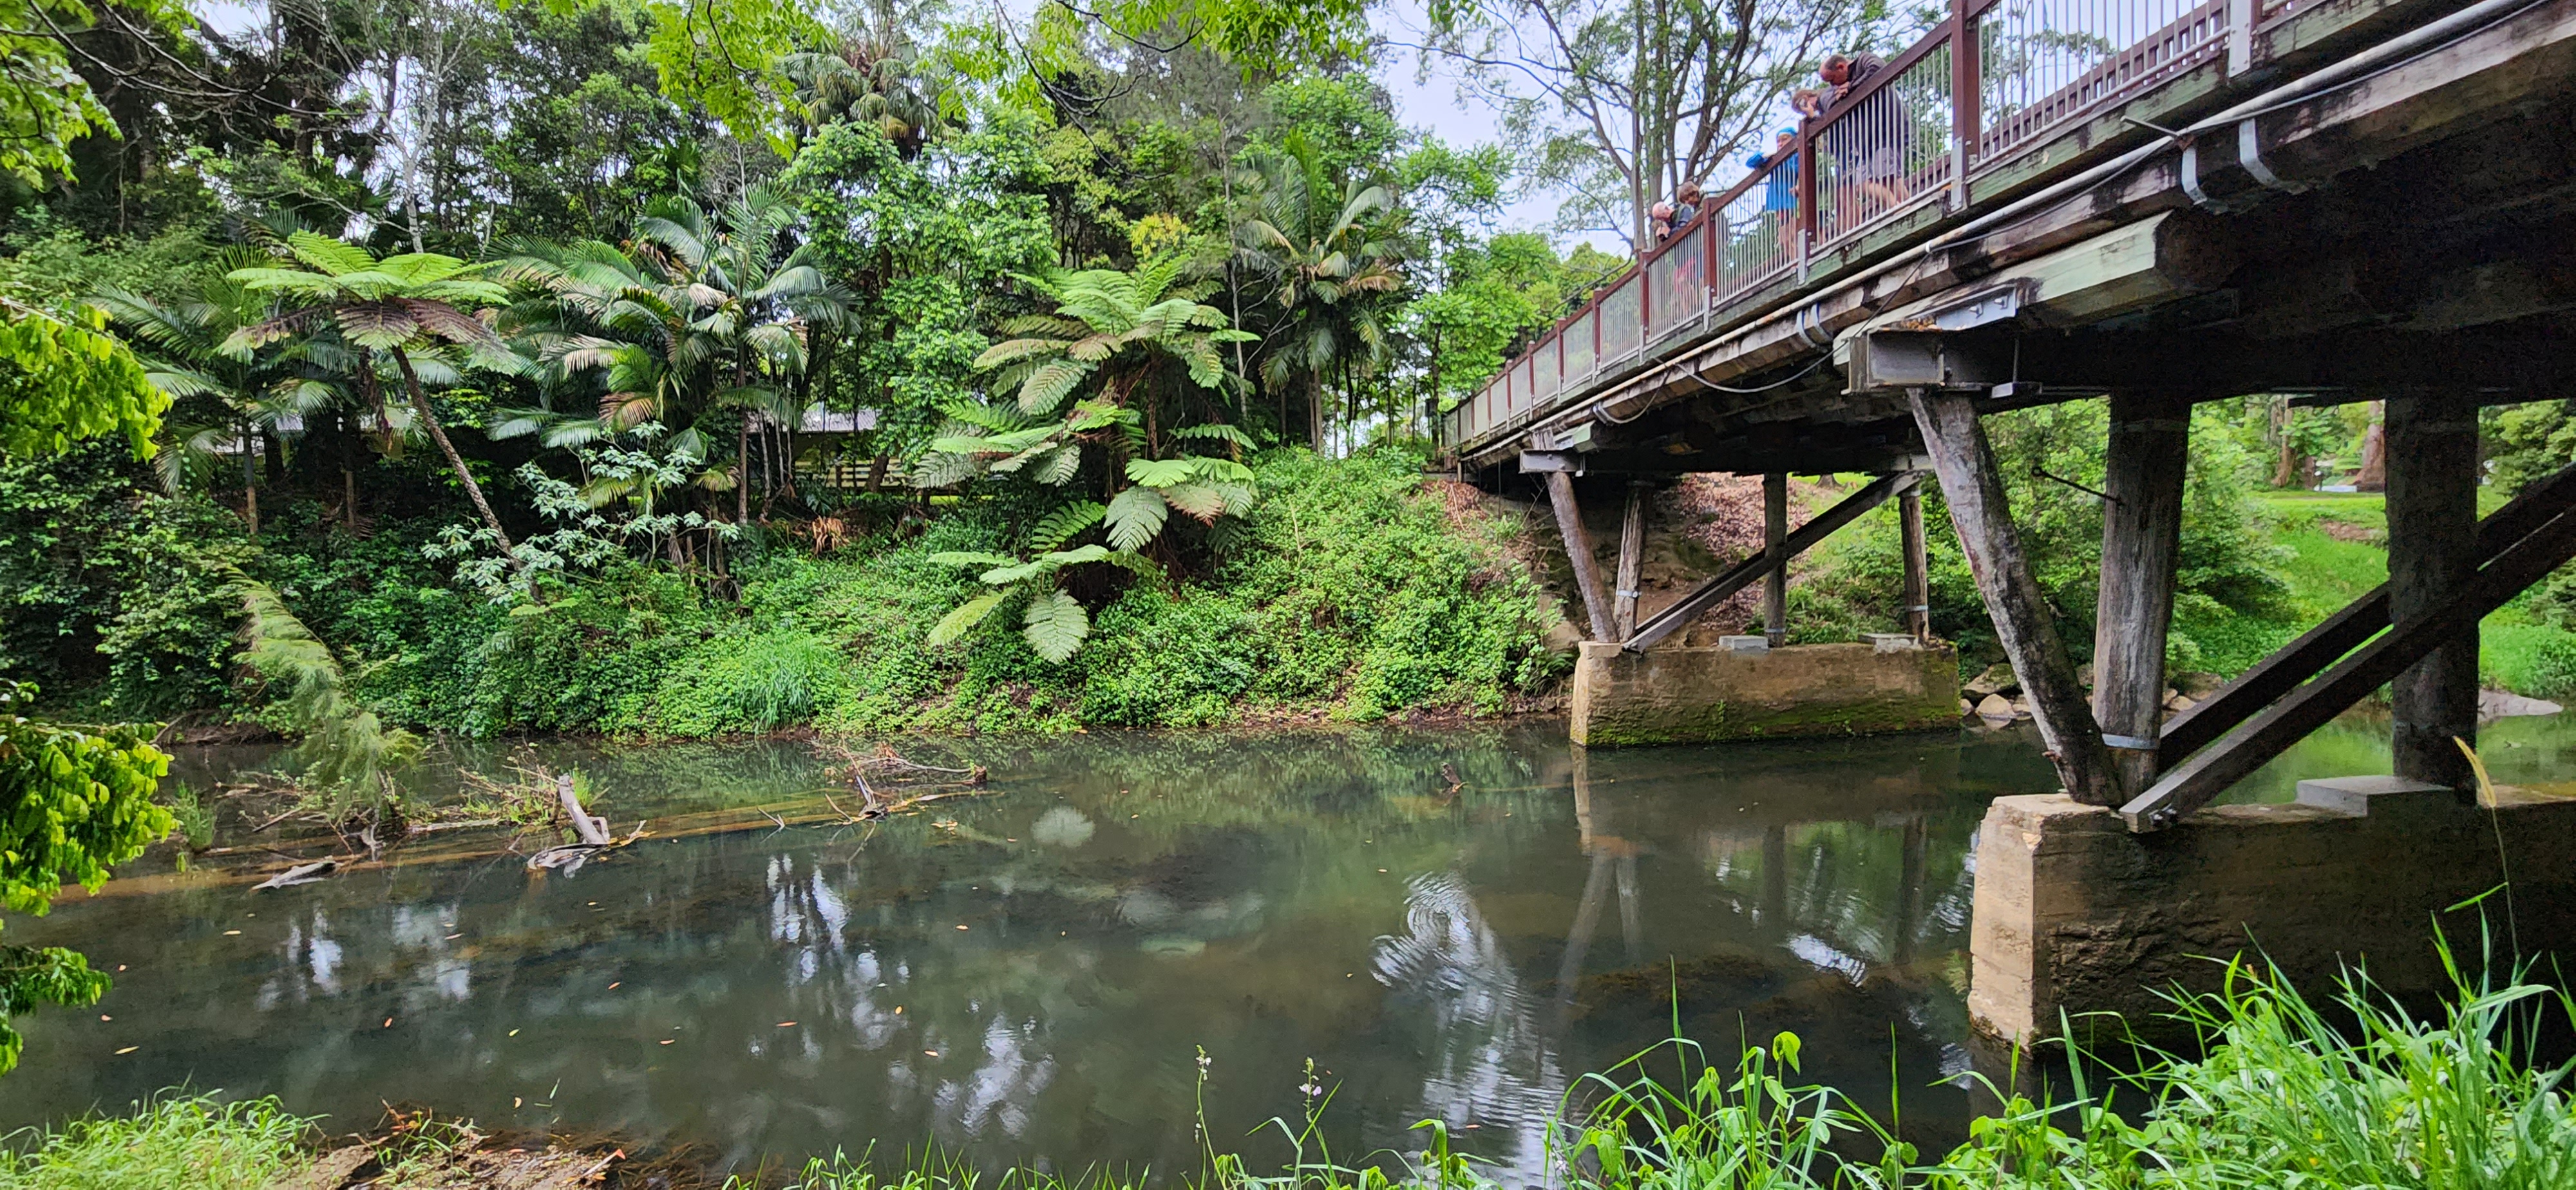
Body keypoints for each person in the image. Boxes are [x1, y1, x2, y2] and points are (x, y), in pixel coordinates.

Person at [1819, 52, 1908, 216]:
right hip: (1865, 142)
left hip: (1886, 133)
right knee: (1861, 184)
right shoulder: (1836, 89)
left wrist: (1852, 87)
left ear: (1841, 67)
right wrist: (1843, 93)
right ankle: (1897, 207)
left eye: (1832, 80)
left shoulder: (1863, 61)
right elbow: (1827, 102)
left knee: (1887, 176)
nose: (1833, 86)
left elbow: (1879, 67)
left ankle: (1905, 208)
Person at [1747, 127, 1801, 261]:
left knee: (1792, 235)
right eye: (1778, 141)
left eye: (1785, 139)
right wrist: (1766, 155)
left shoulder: (1797, 154)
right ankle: (1796, 263)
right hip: (1779, 204)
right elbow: (1750, 162)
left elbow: (1798, 169)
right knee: (1784, 240)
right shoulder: (1774, 158)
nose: (1781, 143)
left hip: (1793, 200)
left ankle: (1800, 263)